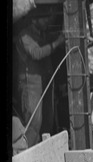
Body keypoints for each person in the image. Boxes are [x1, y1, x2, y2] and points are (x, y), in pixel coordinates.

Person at [14, 15, 64, 147]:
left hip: (44, 82)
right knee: (34, 123)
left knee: (47, 122)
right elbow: (37, 53)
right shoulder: (24, 35)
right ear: (34, 19)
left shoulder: (42, 34)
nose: (48, 20)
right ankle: (27, 155)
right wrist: (58, 42)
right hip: (30, 85)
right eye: (44, 18)